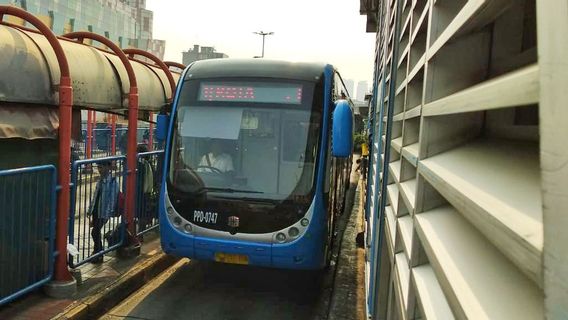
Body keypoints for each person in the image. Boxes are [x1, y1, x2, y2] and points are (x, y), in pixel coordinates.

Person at [87, 160, 119, 263]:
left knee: (95, 232)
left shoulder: (113, 182)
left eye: (102, 167)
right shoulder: (100, 181)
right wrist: (90, 209)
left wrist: (107, 214)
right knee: (95, 232)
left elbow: (112, 200)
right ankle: (98, 253)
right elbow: (95, 196)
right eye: (98, 167)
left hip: (103, 212)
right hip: (96, 210)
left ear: (108, 168)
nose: (100, 170)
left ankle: (98, 253)